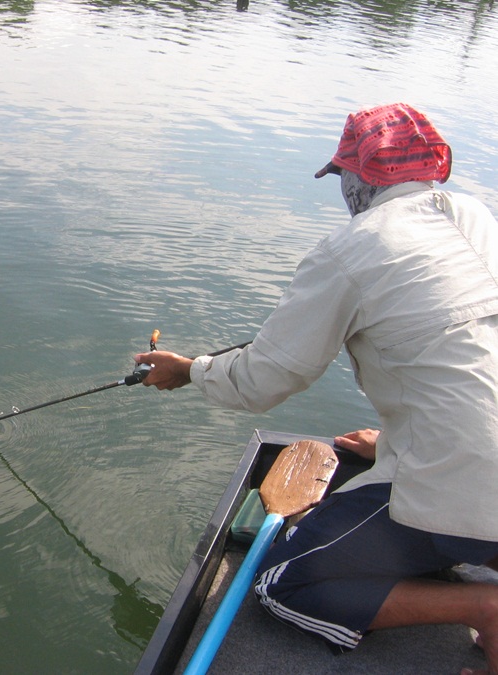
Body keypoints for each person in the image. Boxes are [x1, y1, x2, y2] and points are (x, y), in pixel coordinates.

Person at [134, 103, 498, 675]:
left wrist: (187, 370)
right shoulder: (478, 216)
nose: (343, 191)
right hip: (472, 460)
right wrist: (394, 443)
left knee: (284, 583)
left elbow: (263, 377)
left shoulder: (351, 248)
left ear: (361, 178)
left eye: (343, 177)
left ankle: (485, 606)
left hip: (472, 481)